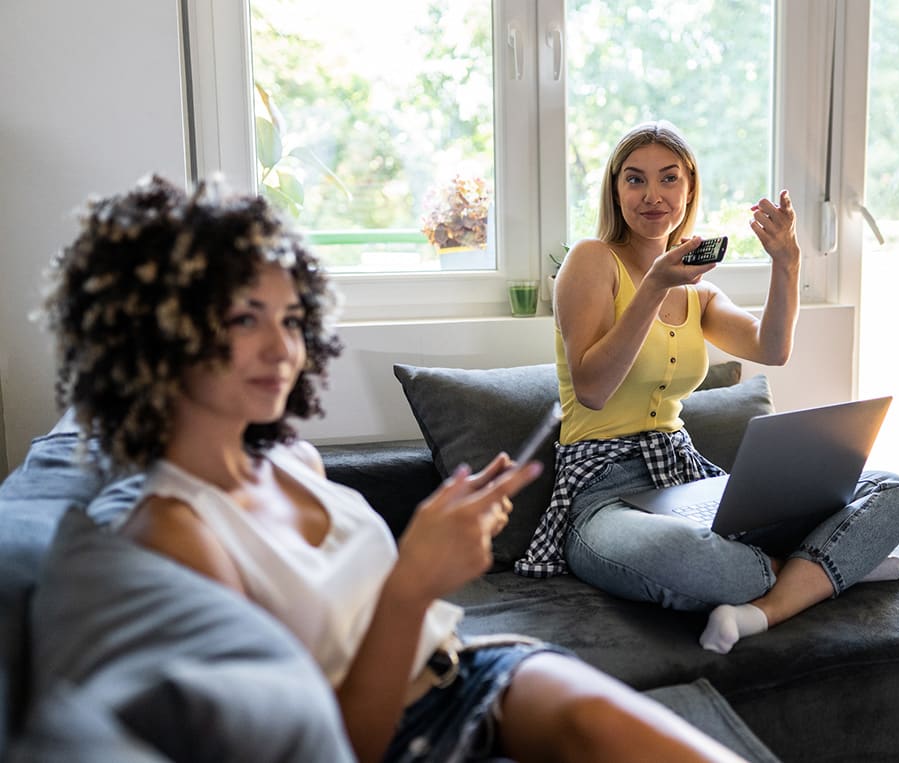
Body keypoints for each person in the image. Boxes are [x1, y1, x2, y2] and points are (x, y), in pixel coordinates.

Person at [42, 174, 754, 763]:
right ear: (154, 333)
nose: (281, 349)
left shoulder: (297, 459)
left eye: (292, 321)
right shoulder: (173, 532)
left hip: (472, 669)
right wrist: (413, 583)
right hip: (398, 737)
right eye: (244, 319)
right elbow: (330, 741)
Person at [515, 120, 899, 654]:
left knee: (893, 492)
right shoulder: (592, 261)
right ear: (616, 190)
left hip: (686, 482)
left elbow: (771, 347)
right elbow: (592, 387)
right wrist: (656, 282)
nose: (652, 195)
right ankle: (826, 570)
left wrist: (787, 262)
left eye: (669, 179)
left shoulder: (698, 292)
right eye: (635, 180)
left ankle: (762, 611)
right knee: (702, 563)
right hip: (602, 496)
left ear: (689, 189)